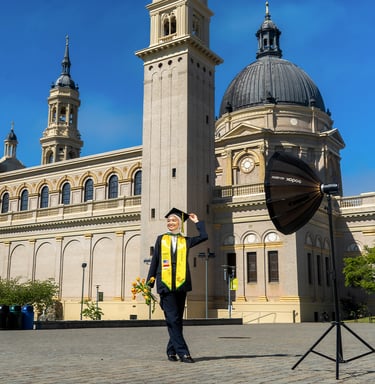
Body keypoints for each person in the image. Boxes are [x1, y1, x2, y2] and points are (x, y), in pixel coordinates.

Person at [147, 208, 208, 363]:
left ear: (180, 224)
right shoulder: (161, 239)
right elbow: (155, 261)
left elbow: (204, 236)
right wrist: (150, 282)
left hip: (181, 285)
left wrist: (197, 222)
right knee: (173, 319)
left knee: (177, 320)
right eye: (169, 221)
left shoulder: (186, 241)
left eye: (174, 221)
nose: (170, 223)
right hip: (165, 285)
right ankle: (183, 352)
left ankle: (171, 350)